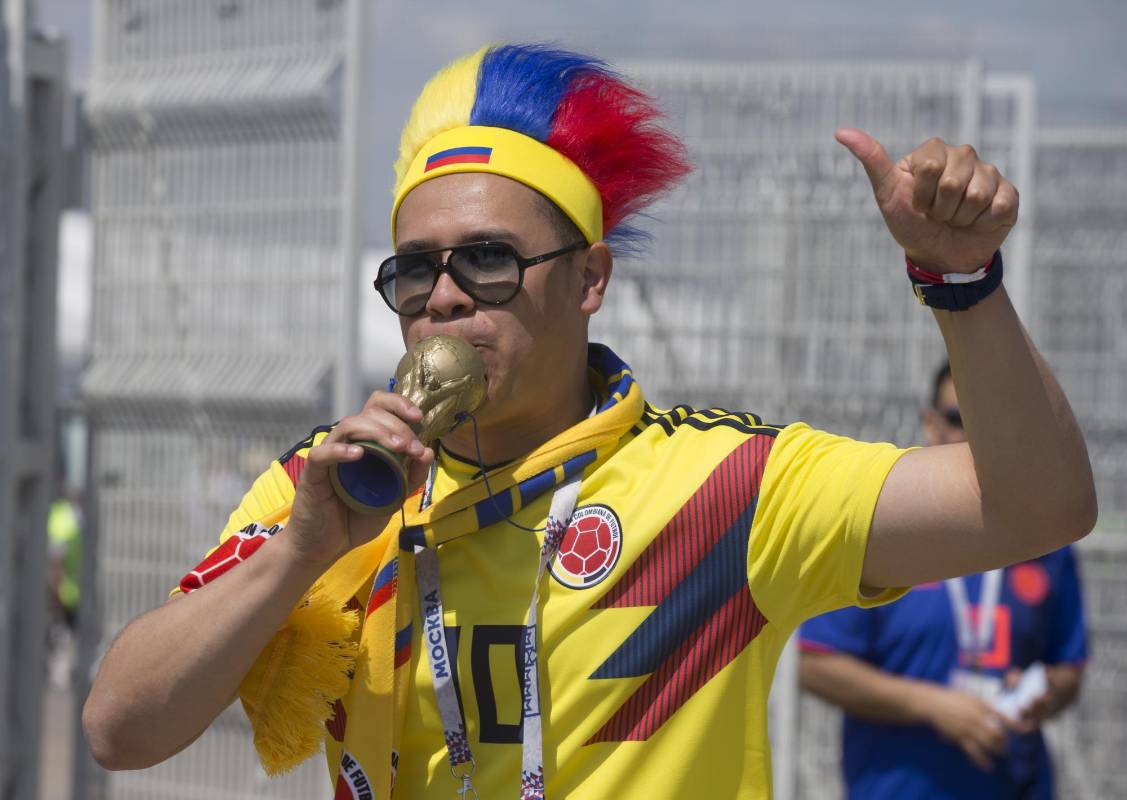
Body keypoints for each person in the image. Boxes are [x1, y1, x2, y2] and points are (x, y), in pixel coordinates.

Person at [82, 44, 1096, 800]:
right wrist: (300, 549)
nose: (442, 298)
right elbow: (119, 727)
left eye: (486, 261)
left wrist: (959, 280)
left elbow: (1038, 507)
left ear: (588, 279)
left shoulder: (725, 486)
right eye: (413, 269)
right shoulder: (335, 487)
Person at [798, 362, 1088, 800]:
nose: (972, 433)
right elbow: (815, 663)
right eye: (957, 418)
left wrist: (1042, 692)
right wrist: (933, 706)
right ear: (930, 424)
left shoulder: (1046, 540)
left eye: (986, 418)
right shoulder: (883, 528)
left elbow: (1069, 667)